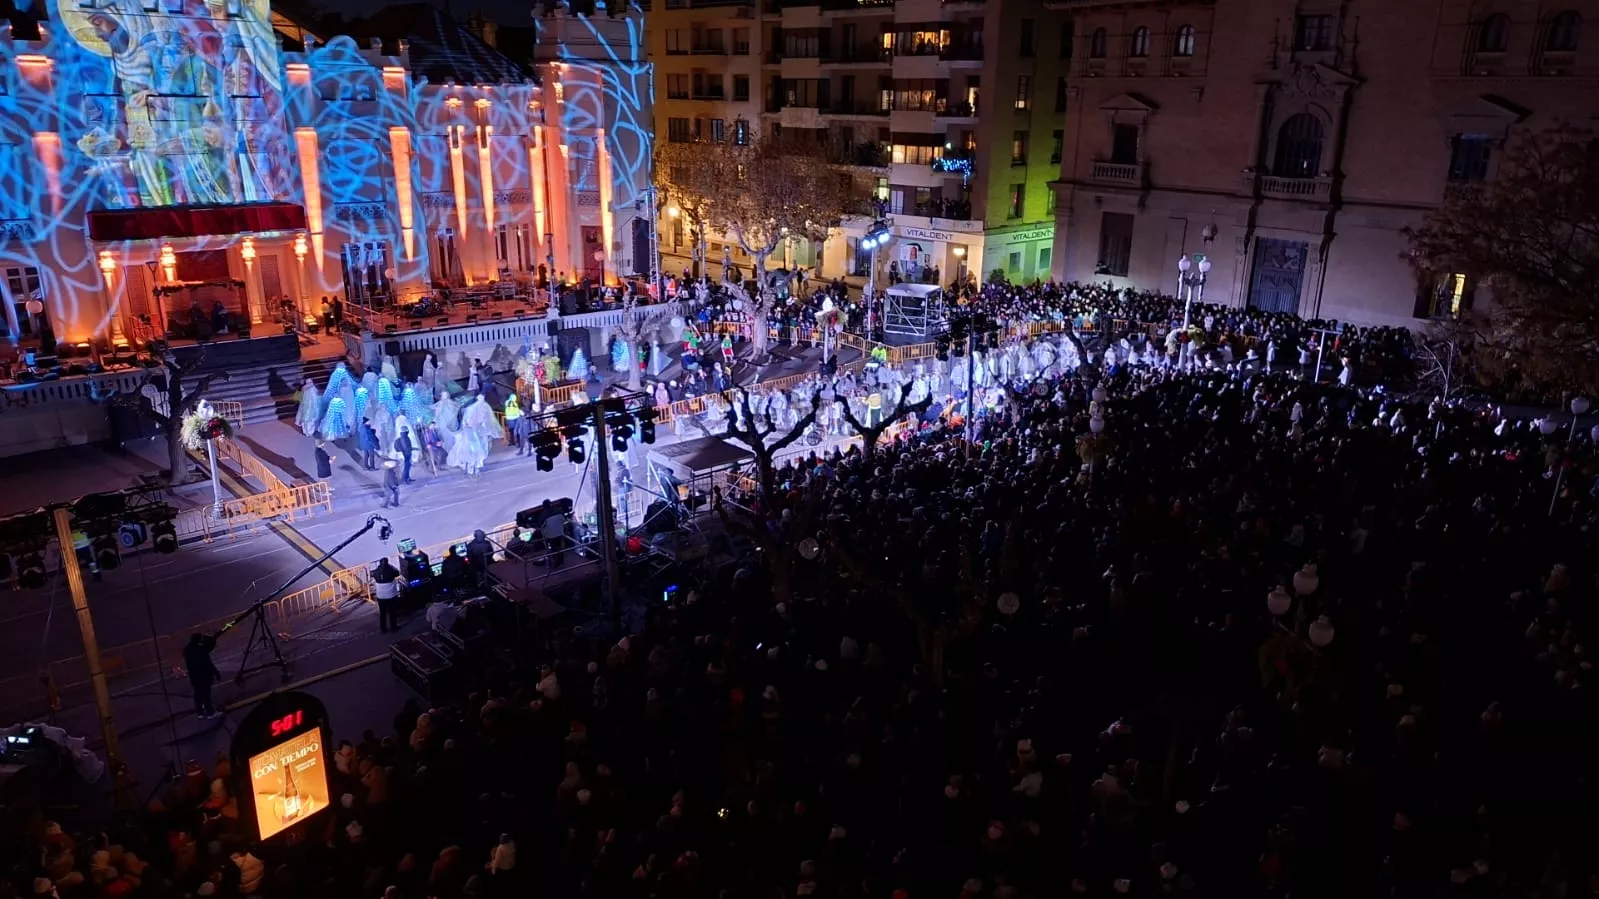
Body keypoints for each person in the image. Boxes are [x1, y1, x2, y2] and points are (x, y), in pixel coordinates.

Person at [183, 632, 221, 719]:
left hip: (194, 676)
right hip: (204, 676)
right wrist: (216, 673)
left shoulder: (187, 650)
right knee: (206, 694)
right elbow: (208, 664)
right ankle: (210, 713)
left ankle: (200, 712)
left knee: (197, 694)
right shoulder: (201, 650)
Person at [372, 557, 402, 633]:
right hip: (391, 595)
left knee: (382, 614)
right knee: (392, 612)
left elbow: (373, 574)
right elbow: (397, 573)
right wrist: (391, 566)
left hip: (381, 596)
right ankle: (393, 628)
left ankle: (383, 629)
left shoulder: (376, 572)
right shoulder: (391, 570)